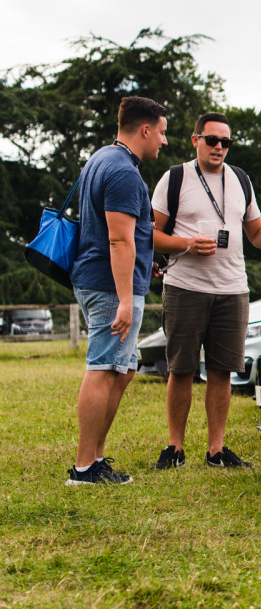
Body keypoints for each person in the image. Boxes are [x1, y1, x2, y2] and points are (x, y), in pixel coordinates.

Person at [151, 112, 261, 470]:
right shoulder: (175, 177)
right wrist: (186, 244)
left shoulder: (241, 179)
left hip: (232, 289)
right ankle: (175, 448)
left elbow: (255, 236)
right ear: (196, 140)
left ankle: (216, 450)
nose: (219, 148)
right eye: (212, 140)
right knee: (181, 369)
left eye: (226, 142)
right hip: (185, 287)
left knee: (223, 370)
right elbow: (150, 234)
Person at [67, 96, 168, 485]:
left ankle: (95, 457)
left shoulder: (101, 158)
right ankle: (84, 468)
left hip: (104, 280)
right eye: (160, 133)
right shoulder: (124, 171)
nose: (163, 141)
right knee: (104, 368)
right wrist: (125, 299)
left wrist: (147, 266)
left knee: (123, 370)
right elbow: (118, 241)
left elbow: (129, 239)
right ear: (144, 129)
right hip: (109, 287)